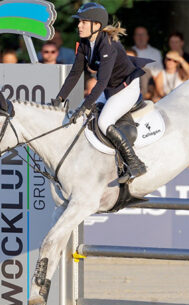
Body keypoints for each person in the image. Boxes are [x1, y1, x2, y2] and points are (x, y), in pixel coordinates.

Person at [53, 3, 152, 182]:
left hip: (126, 87)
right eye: (79, 22)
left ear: (96, 25)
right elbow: (75, 73)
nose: (79, 25)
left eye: (83, 22)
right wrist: (59, 98)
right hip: (109, 87)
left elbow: (102, 82)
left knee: (105, 121)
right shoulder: (85, 43)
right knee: (86, 118)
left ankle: (135, 163)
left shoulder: (108, 45)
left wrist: (84, 106)